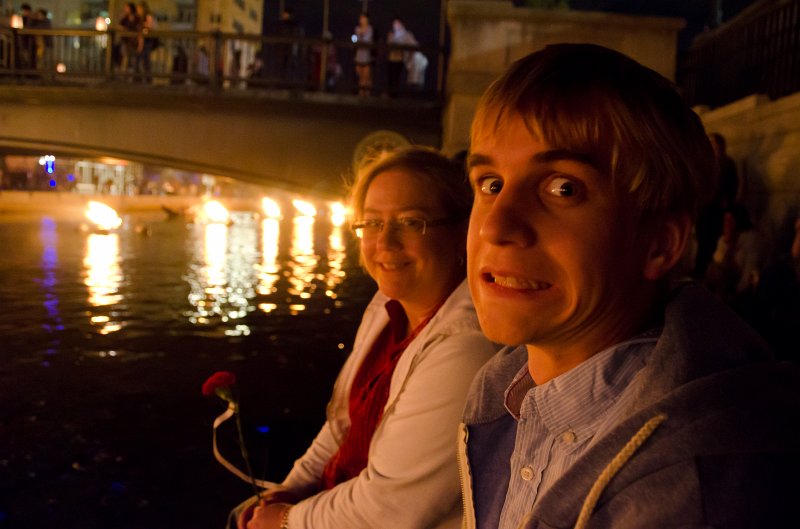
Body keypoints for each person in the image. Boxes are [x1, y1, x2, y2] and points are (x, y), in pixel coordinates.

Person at [460, 43, 800, 529]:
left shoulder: (702, 491)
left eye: (563, 188)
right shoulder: (501, 390)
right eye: (490, 183)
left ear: (659, 244)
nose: (496, 226)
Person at [234, 147, 500, 529]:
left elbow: (391, 507)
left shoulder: (466, 347)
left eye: (411, 222)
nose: (385, 243)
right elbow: (342, 423)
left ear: (462, 232)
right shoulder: (386, 305)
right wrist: (290, 489)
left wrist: (287, 520)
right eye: (373, 224)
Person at [694, 132, 739, 278]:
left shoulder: (727, 163)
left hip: (716, 212)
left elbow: (731, 188)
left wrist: (726, 205)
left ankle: (710, 275)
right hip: (704, 211)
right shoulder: (706, 164)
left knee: (712, 244)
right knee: (702, 243)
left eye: (714, 143)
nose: (712, 147)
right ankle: (700, 273)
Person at [386, 17, 417, 97]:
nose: (395, 25)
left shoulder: (407, 34)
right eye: (394, 23)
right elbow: (388, 45)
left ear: (401, 24)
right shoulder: (392, 34)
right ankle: (390, 94)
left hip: (400, 59)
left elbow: (414, 45)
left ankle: (396, 95)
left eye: (397, 23)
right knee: (391, 77)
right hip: (391, 58)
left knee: (397, 77)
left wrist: (408, 54)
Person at [134, 1, 156, 83]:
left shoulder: (147, 17)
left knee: (143, 61)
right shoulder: (140, 18)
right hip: (142, 42)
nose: (138, 11)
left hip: (146, 42)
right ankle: (143, 79)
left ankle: (144, 79)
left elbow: (151, 26)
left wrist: (144, 25)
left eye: (139, 9)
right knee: (144, 61)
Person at [352, 13, 373, 97]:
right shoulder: (357, 28)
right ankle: (362, 92)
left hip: (366, 56)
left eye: (363, 18)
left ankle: (365, 93)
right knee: (360, 74)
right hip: (359, 55)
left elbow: (366, 40)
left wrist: (360, 38)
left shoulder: (369, 29)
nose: (361, 20)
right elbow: (355, 40)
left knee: (366, 75)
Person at [117, 2, 140, 76]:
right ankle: (123, 75)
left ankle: (133, 76)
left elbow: (139, 28)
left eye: (127, 8)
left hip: (134, 41)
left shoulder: (137, 18)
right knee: (125, 57)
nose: (125, 9)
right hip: (126, 41)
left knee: (133, 59)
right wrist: (125, 29)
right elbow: (119, 25)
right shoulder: (125, 18)